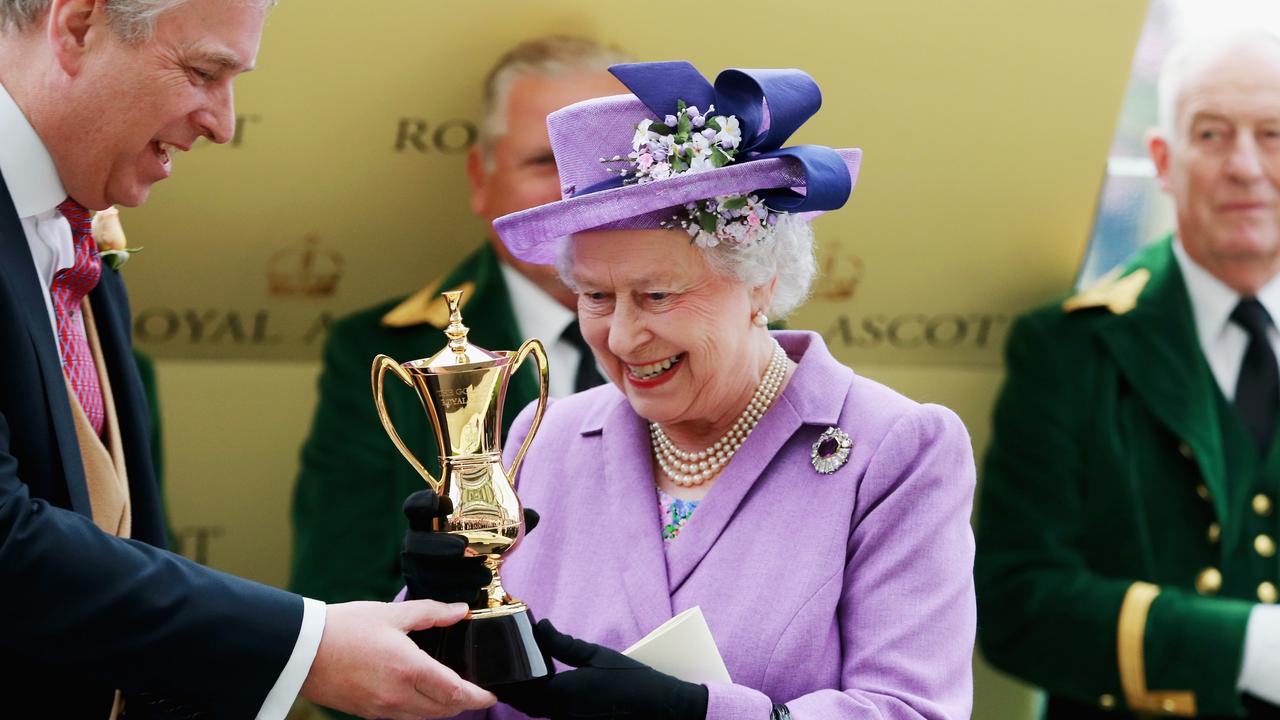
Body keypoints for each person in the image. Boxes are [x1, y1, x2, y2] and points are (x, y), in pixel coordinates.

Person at [409, 59, 977, 719]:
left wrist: (700, 714)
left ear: (760, 281)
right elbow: (460, 704)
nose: (622, 337)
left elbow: (913, 710)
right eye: (594, 296)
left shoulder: (896, 449)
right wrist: (436, 623)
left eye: (657, 295)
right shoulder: (545, 435)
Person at [0, 1, 495, 717]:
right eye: (204, 72)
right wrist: (307, 647)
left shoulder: (82, 216)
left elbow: (120, 541)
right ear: (78, 24)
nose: (224, 125)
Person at [976, 29, 1280, 719]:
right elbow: (1017, 602)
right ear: (1164, 162)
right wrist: (1250, 647)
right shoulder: (1067, 349)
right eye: (1212, 134)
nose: (1245, 165)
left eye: (1271, 133)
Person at [290, 36, 626, 608]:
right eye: (544, 162)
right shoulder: (381, 354)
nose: (577, 190)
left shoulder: (735, 335)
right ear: (480, 178)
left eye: (607, 163)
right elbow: (340, 598)